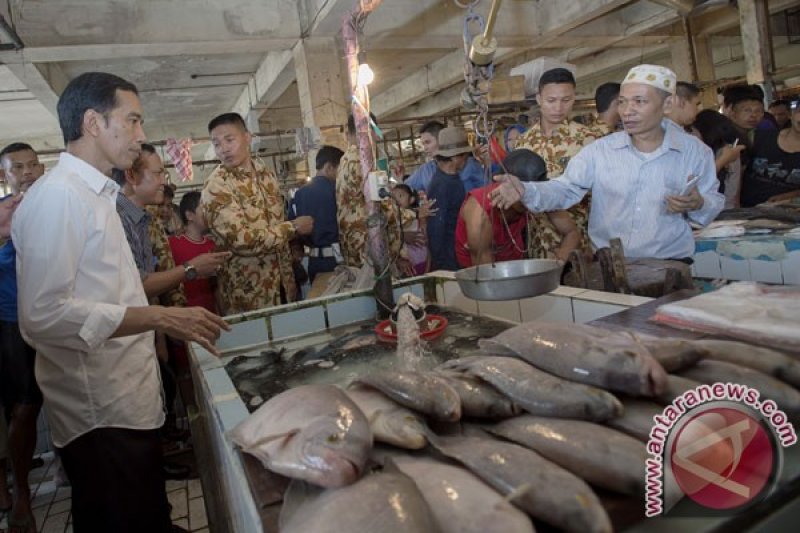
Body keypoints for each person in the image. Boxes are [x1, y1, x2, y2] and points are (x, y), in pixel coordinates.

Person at [12, 71, 229, 533]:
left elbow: (108, 291)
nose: (141, 134)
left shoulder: (96, 195)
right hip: (101, 414)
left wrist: (158, 320)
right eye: (132, 120)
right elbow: (42, 316)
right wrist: (157, 315)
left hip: (125, 399)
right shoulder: (59, 198)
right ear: (93, 123)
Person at [491, 64, 724, 261]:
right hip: (610, 267)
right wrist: (526, 190)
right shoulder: (599, 151)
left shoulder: (694, 153)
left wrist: (699, 203)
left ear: (668, 104)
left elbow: (712, 202)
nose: (627, 111)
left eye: (639, 101)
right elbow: (565, 188)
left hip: (670, 265)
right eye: (622, 102)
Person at [202, 112, 312, 313]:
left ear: (247, 137)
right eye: (216, 144)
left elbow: (277, 221)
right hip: (249, 294)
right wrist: (293, 228)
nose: (223, 149)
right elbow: (242, 241)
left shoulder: (265, 174)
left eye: (229, 140)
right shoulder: (217, 186)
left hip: (284, 285)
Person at [0, 143, 45, 533]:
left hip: (54, 318)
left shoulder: (53, 207)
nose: (27, 172)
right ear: (5, 176)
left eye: (33, 165)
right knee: (24, 408)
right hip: (12, 321)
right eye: (18, 167)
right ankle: (22, 494)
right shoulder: (2, 214)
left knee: (64, 400)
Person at [515, 67, 600, 260]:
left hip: (580, 244)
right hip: (537, 242)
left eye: (566, 100)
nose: (558, 108)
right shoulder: (524, 142)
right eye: (551, 100)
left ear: (574, 98)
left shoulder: (589, 140)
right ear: (539, 99)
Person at [456, 149, 580, 267]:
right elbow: (485, 274)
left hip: (515, 265)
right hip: (481, 272)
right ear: (505, 187)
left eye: (531, 192)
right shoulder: (480, 211)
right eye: (523, 194)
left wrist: (559, 263)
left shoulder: (536, 195)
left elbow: (571, 232)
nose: (530, 199)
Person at [336, 113, 415, 271]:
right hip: (370, 245)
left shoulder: (345, 160)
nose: (377, 137)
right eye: (375, 131)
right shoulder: (364, 161)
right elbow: (384, 203)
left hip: (353, 244)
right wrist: (414, 215)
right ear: (367, 131)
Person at [291, 145, 344, 283]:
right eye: (340, 169)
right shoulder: (338, 191)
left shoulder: (298, 195)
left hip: (315, 263)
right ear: (329, 167)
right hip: (339, 260)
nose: (341, 174)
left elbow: (293, 232)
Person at [741, 100, 800, 207]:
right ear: (792, 114)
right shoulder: (759, 136)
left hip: (785, 212)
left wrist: (789, 196)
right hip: (743, 208)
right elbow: (737, 172)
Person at [426, 127, 470, 271]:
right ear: (455, 157)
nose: (467, 160)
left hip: (457, 253)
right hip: (449, 259)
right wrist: (441, 266)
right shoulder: (442, 185)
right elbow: (436, 228)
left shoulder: (452, 179)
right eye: (465, 157)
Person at [405, 120, 487, 193]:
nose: (425, 148)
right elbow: (404, 190)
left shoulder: (470, 164)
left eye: (428, 142)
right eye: (423, 144)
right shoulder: (426, 170)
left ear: (442, 140)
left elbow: (487, 192)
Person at [693, 110, 746, 209]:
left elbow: (733, 194)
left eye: (692, 129)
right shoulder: (728, 153)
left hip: (714, 210)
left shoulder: (729, 153)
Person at [391, 184, 430, 275]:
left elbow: (428, 246)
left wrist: (427, 271)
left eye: (400, 195)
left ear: (411, 199)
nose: (397, 200)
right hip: (405, 268)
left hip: (422, 264)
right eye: (393, 197)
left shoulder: (420, 220)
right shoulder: (394, 224)